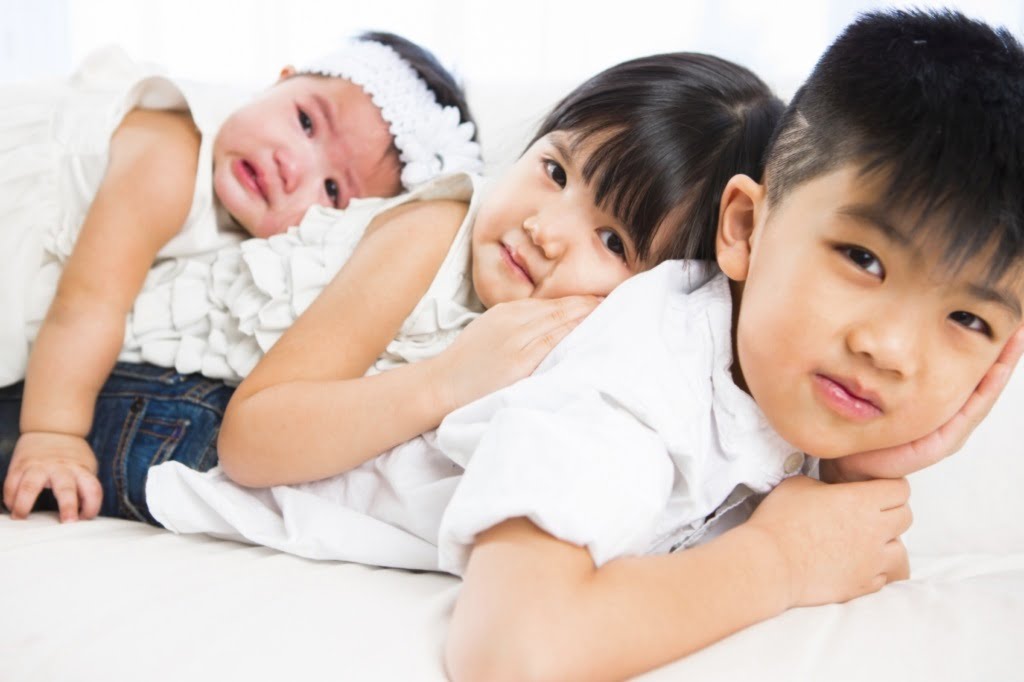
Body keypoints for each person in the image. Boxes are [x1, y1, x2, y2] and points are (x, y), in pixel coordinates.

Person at [148, 9, 1020, 681]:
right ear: (744, 230)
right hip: (170, 429)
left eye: (970, 320)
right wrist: (776, 564)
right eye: (862, 258)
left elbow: (864, 557)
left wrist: (876, 462)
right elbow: (512, 648)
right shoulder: (638, 366)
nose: (892, 349)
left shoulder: (772, 377)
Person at [0, 50, 786, 527]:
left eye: (612, 241)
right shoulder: (435, 227)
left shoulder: (602, 328)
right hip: (132, 386)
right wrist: (448, 381)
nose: (548, 227)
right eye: (554, 171)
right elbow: (252, 439)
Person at [0, 31, 481, 521]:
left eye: (332, 188)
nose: (291, 164)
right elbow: (88, 302)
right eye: (306, 122)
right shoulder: (169, 157)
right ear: (280, 80)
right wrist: (52, 434)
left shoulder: (257, 241)